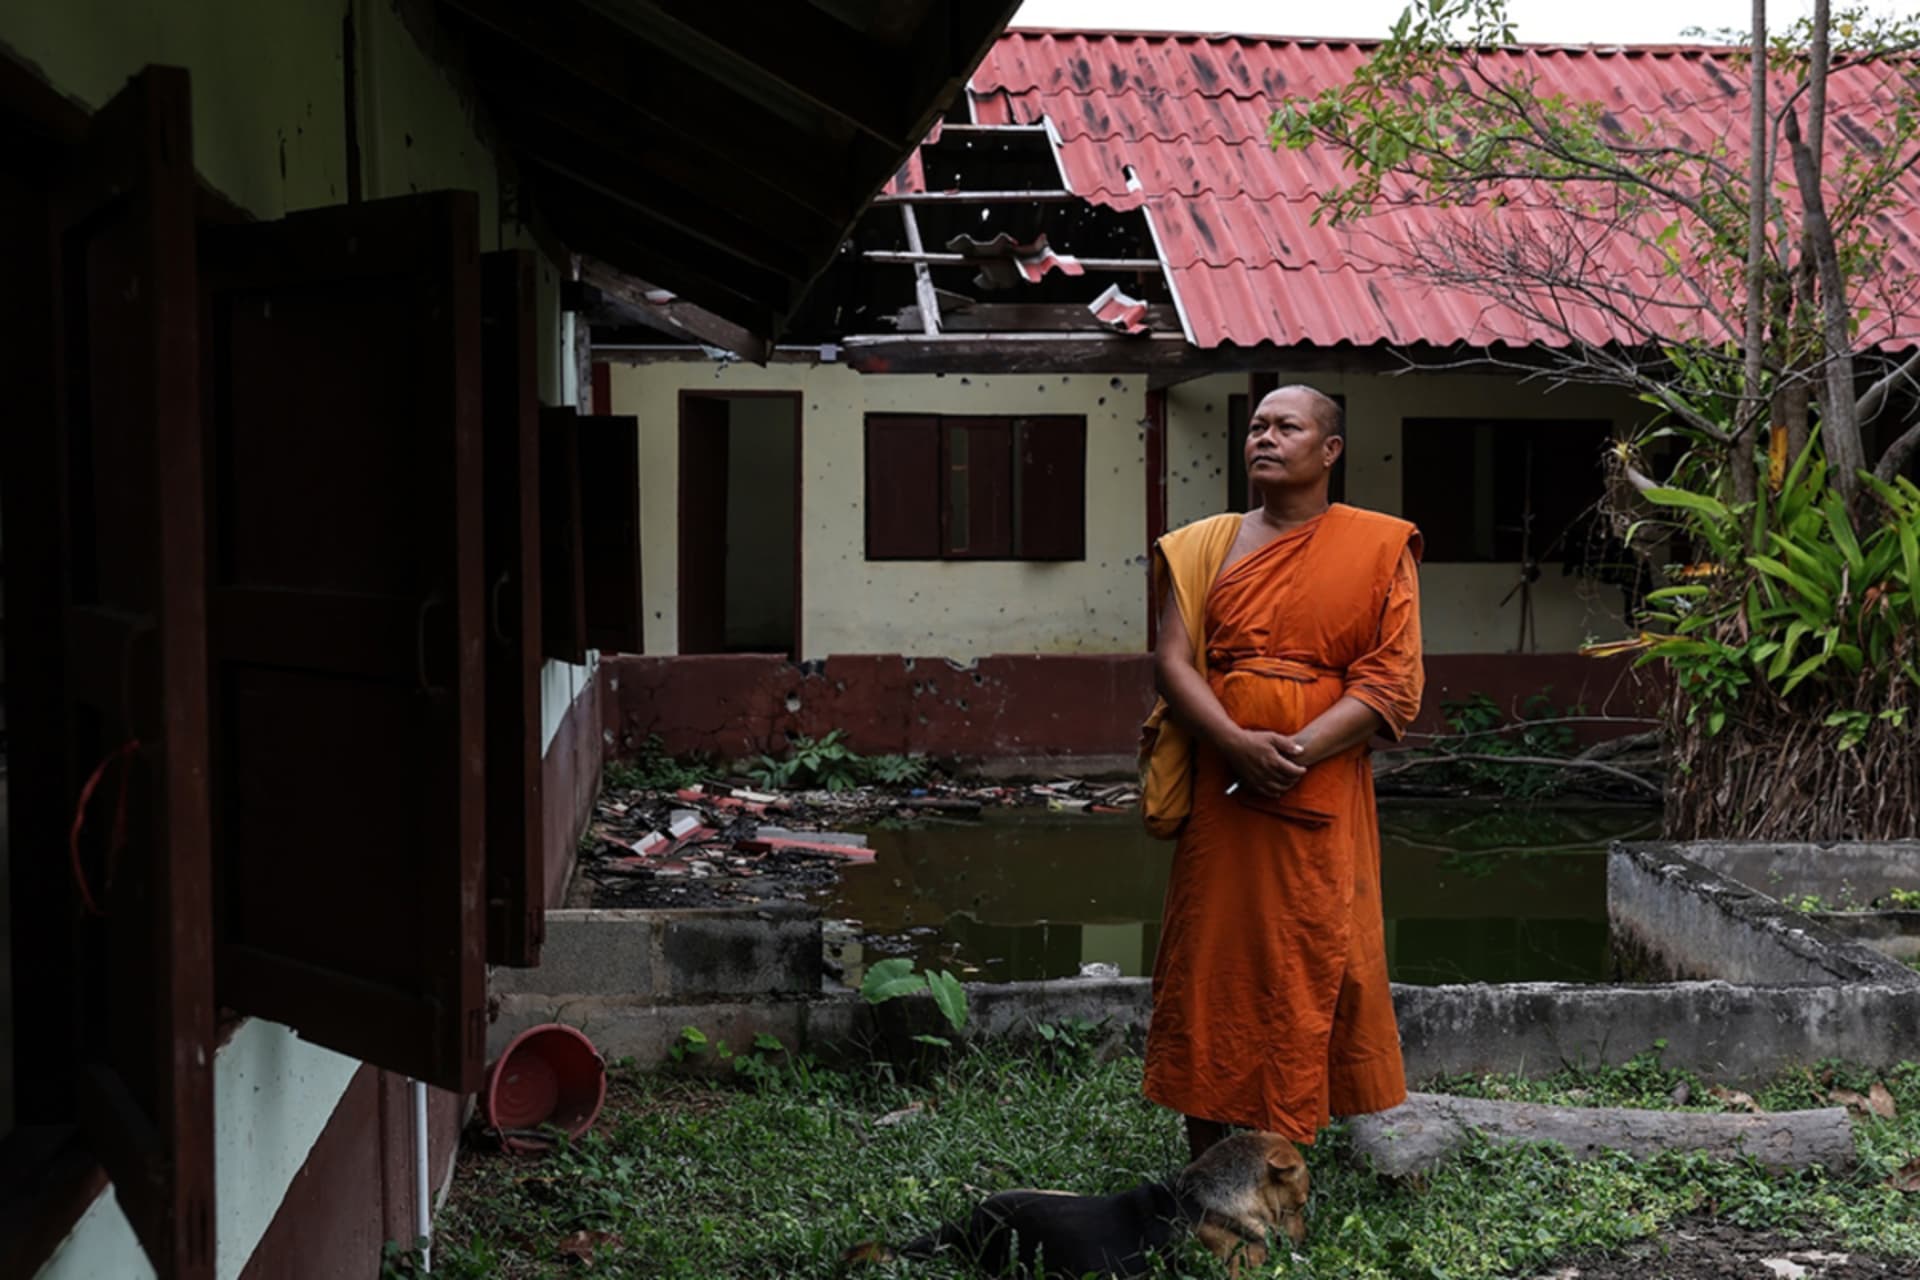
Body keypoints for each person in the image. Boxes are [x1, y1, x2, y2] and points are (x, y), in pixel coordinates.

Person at [1142, 384, 1424, 1163]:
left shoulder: (1378, 545)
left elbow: (1390, 682)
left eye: (1286, 426)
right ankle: (1204, 1157)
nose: (1264, 437)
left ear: (1328, 450)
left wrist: (1291, 752)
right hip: (1223, 785)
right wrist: (1236, 743)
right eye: (1256, 426)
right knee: (1210, 963)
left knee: (1305, 958)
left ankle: (1280, 1157)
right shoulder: (1205, 544)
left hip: (1317, 785)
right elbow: (1171, 662)